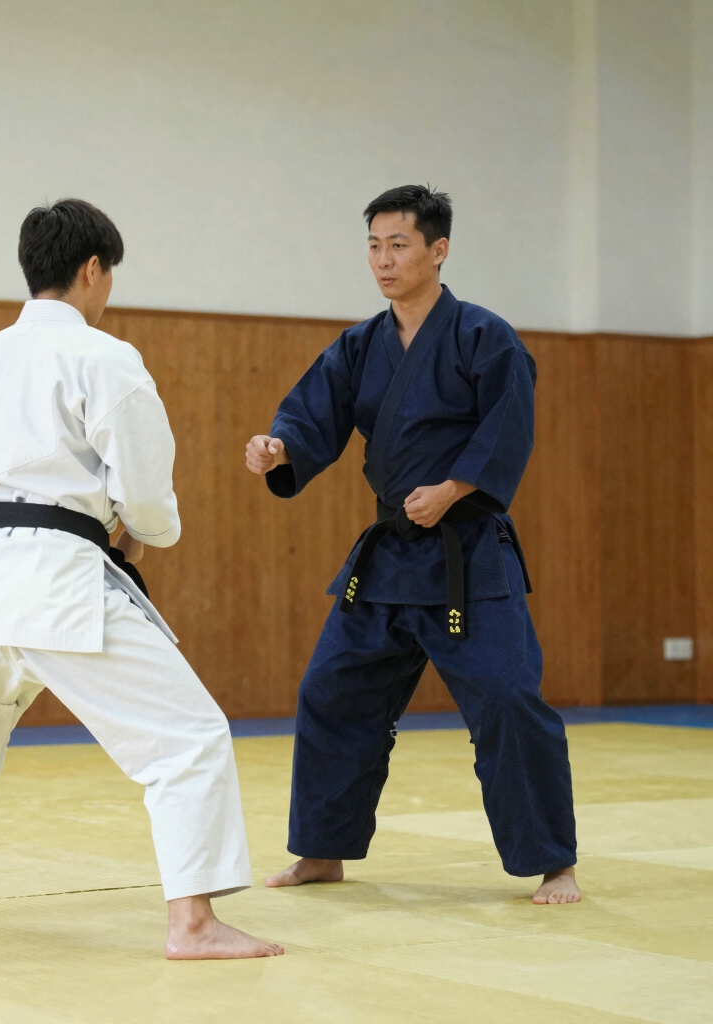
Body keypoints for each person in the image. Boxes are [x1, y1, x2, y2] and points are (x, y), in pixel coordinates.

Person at [0, 198, 284, 958]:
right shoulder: (104, 357)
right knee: (189, 738)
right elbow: (146, 486)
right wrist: (149, 532)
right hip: (57, 577)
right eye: (109, 274)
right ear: (93, 269)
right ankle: (192, 924)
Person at [245, 185, 579, 905]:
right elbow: (314, 414)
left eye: (398, 244)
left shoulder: (485, 338)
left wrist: (455, 489)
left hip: (468, 559)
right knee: (331, 693)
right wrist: (282, 448)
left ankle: (554, 861)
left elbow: (508, 427)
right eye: (373, 245)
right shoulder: (360, 345)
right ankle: (323, 851)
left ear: (438, 250)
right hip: (391, 557)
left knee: (510, 700)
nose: (383, 260)